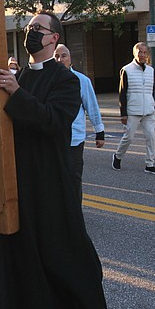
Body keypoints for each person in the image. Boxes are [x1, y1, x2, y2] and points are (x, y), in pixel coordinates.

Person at [0, 11, 110, 309]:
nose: (31, 32)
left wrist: (15, 92)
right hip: (18, 181)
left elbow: (53, 122)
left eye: (38, 28)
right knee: (24, 254)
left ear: (54, 38)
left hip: (51, 181)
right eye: (28, 28)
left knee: (63, 251)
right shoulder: (18, 75)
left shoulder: (66, 80)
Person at [53, 44, 108, 199]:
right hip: (54, 138)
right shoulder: (48, 80)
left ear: (70, 59)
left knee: (73, 178)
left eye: (64, 56)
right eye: (56, 56)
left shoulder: (82, 80)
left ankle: (74, 208)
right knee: (55, 179)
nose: (60, 59)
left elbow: (92, 107)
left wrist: (100, 132)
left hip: (74, 139)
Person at [111, 42, 155, 175]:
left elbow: (150, 90)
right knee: (128, 137)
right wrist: (123, 113)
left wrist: (152, 104)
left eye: (145, 52)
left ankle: (150, 164)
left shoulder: (151, 70)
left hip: (148, 110)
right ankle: (118, 156)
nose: (142, 55)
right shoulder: (126, 70)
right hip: (133, 111)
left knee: (151, 136)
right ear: (135, 53)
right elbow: (122, 93)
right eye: (140, 52)